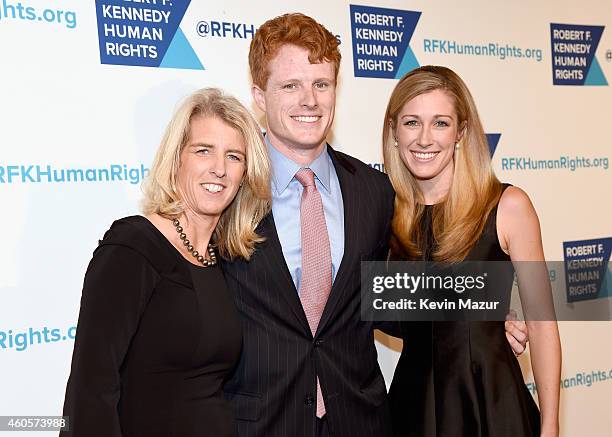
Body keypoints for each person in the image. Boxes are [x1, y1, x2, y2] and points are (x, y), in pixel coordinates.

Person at [220, 14, 530, 437]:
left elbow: (392, 297)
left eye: (321, 84)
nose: (309, 100)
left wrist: (490, 312)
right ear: (259, 95)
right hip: (261, 423)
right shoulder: (228, 186)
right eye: (291, 85)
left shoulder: (375, 192)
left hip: (360, 421)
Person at [60, 88, 271, 437]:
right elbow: (90, 391)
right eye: (204, 151)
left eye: (234, 157)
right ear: (176, 161)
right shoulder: (133, 247)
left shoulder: (224, 259)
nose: (219, 169)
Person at [382, 66, 561, 436]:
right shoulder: (385, 214)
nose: (425, 139)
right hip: (412, 408)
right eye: (412, 122)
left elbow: (543, 327)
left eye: (441, 123)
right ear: (394, 131)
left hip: (489, 404)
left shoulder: (507, 206)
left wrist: (551, 426)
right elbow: (389, 317)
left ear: (461, 131)